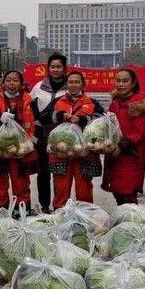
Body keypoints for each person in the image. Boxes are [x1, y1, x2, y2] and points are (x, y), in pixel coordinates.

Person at [0, 70, 40, 212]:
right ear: (3, 83)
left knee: (21, 184)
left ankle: (21, 212)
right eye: (9, 80)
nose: (12, 83)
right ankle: (2, 213)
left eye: (15, 80)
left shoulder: (29, 100)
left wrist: (32, 143)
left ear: (21, 84)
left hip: (21, 151)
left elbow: (37, 124)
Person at [42, 71, 104, 208]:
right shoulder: (57, 101)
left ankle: (85, 213)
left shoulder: (91, 102)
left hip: (84, 153)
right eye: (71, 82)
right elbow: (43, 117)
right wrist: (59, 116)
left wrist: (83, 119)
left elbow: (102, 119)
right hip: (60, 153)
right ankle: (60, 212)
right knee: (61, 187)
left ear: (82, 84)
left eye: (77, 82)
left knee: (84, 188)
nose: (74, 85)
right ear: (66, 84)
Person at [103, 68, 145, 205]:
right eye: (118, 81)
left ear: (133, 82)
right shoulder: (115, 102)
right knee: (116, 190)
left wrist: (122, 145)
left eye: (125, 81)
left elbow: (139, 132)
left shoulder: (140, 102)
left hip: (131, 153)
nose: (121, 84)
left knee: (128, 192)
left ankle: (131, 217)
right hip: (114, 155)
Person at [30, 53, 67, 213]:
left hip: (63, 137)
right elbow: (30, 108)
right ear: (48, 68)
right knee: (43, 172)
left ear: (64, 68)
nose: (55, 70)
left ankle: (59, 206)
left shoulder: (70, 86)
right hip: (43, 136)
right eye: (53, 67)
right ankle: (44, 205)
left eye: (59, 67)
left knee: (60, 172)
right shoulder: (39, 87)